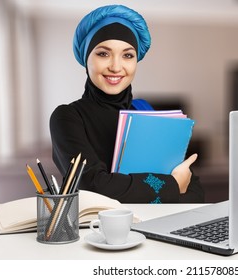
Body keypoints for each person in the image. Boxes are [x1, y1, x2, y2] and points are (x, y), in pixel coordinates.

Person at [49, 4, 204, 203]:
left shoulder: (145, 112)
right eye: (103, 53)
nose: (115, 66)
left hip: (151, 229)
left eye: (128, 55)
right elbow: (92, 185)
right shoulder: (67, 117)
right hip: (96, 231)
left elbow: (195, 191)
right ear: (86, 58)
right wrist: (171, 186)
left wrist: (158, 189)